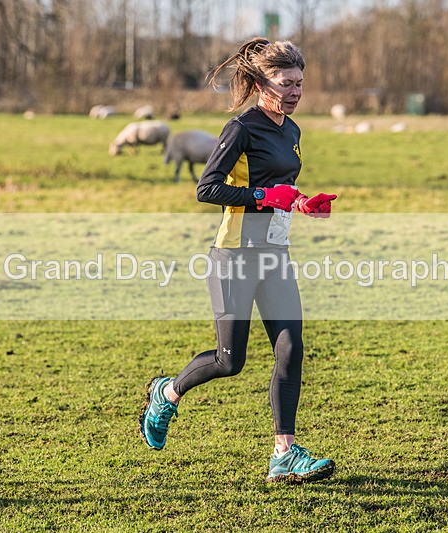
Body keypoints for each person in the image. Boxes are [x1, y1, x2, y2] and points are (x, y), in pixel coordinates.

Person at [139, 37, 338, 483]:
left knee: (291, 346)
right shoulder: (241, 128)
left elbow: (279, 187)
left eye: (300, 83)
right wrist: (266, 196)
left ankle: (283, 452)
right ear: (262, 82)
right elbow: (206, 188)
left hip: (275, 256)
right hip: (234, 256)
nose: (295, 91)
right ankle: (166, 393)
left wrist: (302, 203)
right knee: (231, 361)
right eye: (286, 83)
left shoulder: (292, 130)